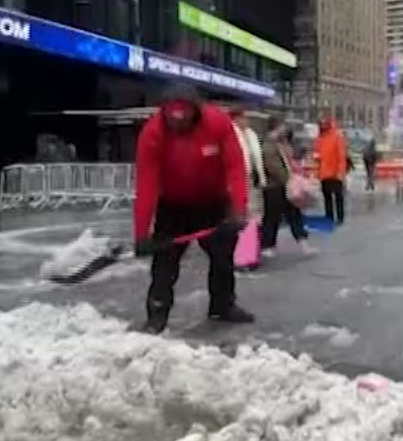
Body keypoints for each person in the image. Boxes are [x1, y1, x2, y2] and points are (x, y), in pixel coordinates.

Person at [133, 86, 253, 333]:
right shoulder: (152, 133)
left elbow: (235, 168)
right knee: (164, 264)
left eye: (183, 120)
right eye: (172, 120)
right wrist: (141, 234)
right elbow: (146, 184)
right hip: (173, 206)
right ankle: (157, 315)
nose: (178, 126)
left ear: (195, 111)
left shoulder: (218, 123)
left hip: (212, 203)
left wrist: (238, 210)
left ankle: (222, 306)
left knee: (223, 259)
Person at [260, 118, 314, 257]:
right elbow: (273, 167)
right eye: (282, 127)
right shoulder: (268, 145)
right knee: (272, 216)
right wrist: (289, 179)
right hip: (273, 186)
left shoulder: (282, 144)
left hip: (286, 185)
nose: (284, 130)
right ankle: (268, 245)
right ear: (276, 128)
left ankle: (303, 243)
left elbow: (291, 160)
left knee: (294, 213)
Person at [229, 108, 267, 272]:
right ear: (236, 118)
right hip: (237, 182)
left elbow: (256, 158)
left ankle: (251, 255)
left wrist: (260, 177)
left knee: (254, 219)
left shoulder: (251, 135)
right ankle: (241, 257)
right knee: (240, 218)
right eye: (243, 117)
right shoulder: (230, 134)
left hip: (253, 180)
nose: (247, 121)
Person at [314, 117, 348, 225]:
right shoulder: (319, 138)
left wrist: (340, 172)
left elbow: (341, 156)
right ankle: (329, 217)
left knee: (338, 196)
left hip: (334, 172)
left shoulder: (336, 137)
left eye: (324, 124)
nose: (322, 126)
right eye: (321, 124)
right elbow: (317, 154)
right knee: (327, 197)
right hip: (324, 173)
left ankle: (340, 217)